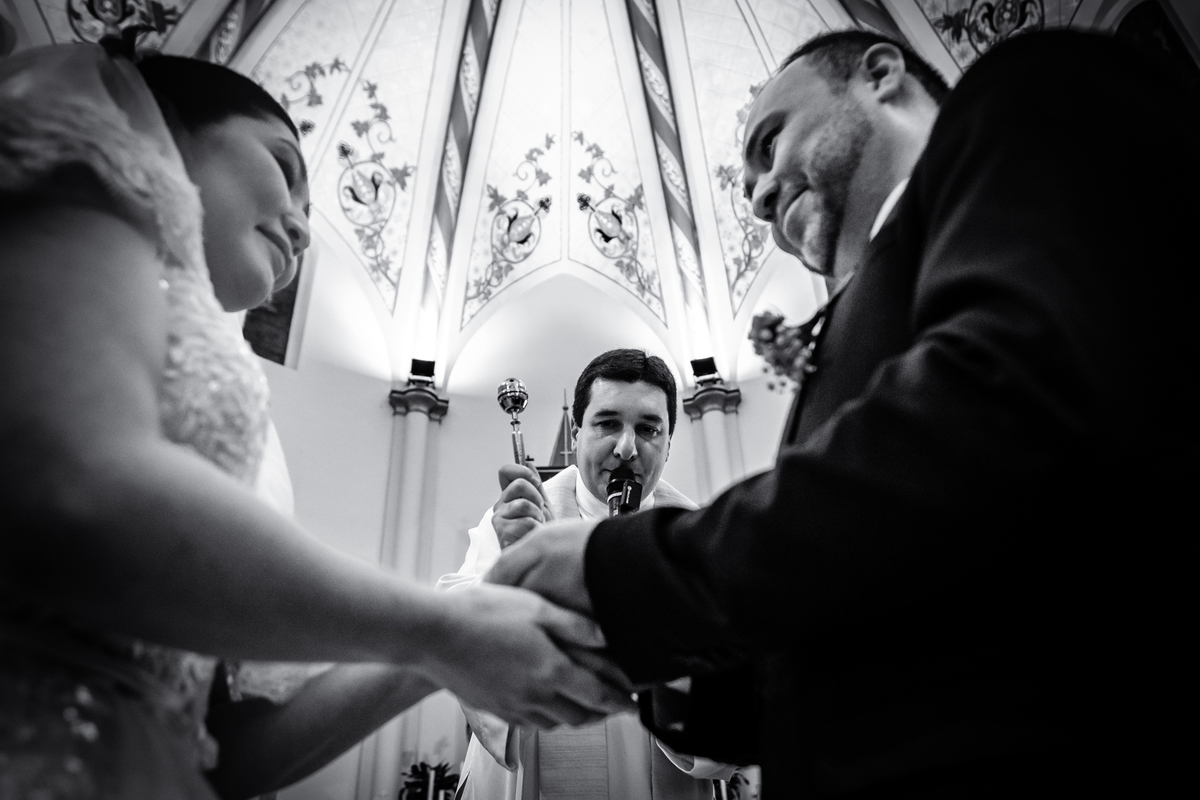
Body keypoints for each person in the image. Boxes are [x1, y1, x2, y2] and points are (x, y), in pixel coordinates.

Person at [487, 29, 1199, 797]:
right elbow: (825, 616)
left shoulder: (1028, 96)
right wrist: (619, 649)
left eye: (771, 140)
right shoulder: (850, 325)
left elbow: (1001, 410)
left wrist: (627, 572)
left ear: (881, 75)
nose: (758, 195)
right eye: (749, 181)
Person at [0, 42, 632, 799]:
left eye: (309, 210)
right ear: (164, 127)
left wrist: (440, 649)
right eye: (283, 166)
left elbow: (237, 756)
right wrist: (438, 627)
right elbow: (69, 485)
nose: (302, 227)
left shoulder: (249, 430)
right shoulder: (75, 146)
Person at [439, 349, 734, 800]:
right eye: (608, 423)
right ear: (577, 434)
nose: (627, 447)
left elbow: (735, 701)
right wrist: (511, 581)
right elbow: (454, 637)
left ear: (669, 443)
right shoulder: (515, 522)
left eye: (648, 429)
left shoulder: (700, 542)